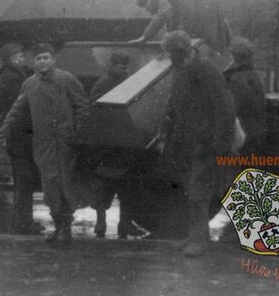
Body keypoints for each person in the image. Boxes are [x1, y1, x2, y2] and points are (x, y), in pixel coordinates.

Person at [0, 43, 89, 244]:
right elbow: (17, 110)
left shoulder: (67, 80)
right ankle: (58, 226)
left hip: (65, 143)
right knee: (50, 185)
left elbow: (81, 106)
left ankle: (65, 228)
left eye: (46, 57)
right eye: (38, 59)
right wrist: (5, 130)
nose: (42, 61)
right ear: (33, 62)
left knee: (66, 182)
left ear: (53, 59)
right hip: (44, 144)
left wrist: (78, 132)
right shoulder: (29, 84)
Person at [155, 30, 235, 257]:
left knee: (199, 191)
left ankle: (199, 240)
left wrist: (221, 143)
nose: (168, 57)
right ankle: (195, 236)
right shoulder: (184, 68)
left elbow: (224, 108)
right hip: (187, 141)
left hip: (204, 141)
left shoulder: (206, 70)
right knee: (191, 189)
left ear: (180, 51)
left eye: (170, 52)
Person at [86, 50, 147, 239]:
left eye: (127, 67)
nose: (126, 70)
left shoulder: (115, 82)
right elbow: (94, 106)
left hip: (120, 141)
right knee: (109, 185)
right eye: (122, 67)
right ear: (112, 66)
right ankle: (105, 222)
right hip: (109, 142)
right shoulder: (104, 83)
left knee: (122, 186)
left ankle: (121, 223)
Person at [0, 43, 43, 235]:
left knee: (24, 180)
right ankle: (21, 224)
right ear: (11, 59)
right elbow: (21, 107)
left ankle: (24, 221)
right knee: (24, 180)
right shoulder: (13, 78)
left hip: (18, 134)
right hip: (19, 135)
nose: (23, 58)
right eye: (19, 56)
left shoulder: (14, 75)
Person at [223, 37, 266, 155]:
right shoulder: (256, 75)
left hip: (242, 132)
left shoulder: (235, 78)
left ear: (233, 56)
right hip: (257, 129)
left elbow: (235, 108)